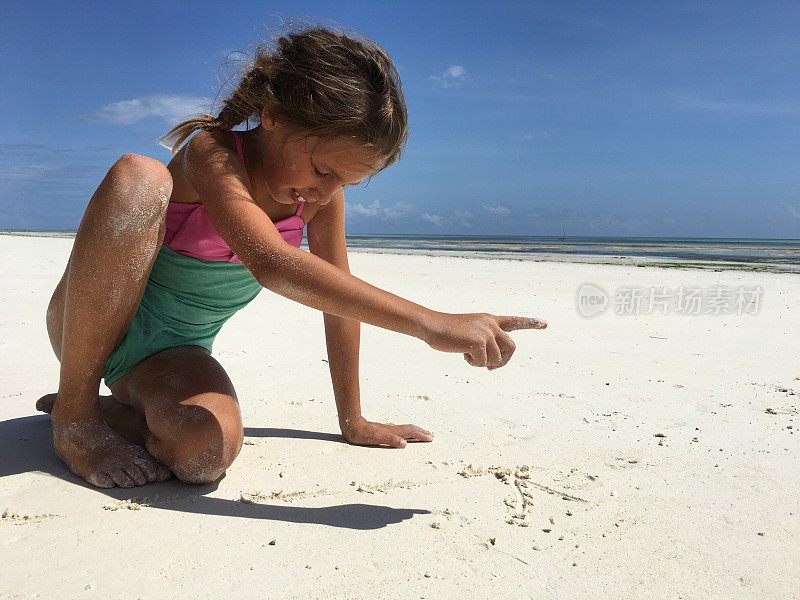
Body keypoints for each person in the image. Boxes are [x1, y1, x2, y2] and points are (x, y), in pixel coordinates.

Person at [36, 27, 547, 489]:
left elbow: (338, 300)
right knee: (140, 177)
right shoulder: (211, 153)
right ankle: (75, 415)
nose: (324, 191)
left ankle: (117, 412)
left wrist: (353, 418)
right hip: (90, 322)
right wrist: (430, 324)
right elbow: (271, 262)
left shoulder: (319, 198)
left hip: (170, 356)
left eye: (347, 182)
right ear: (274, 119)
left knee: (203, 455)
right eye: (323, 169)